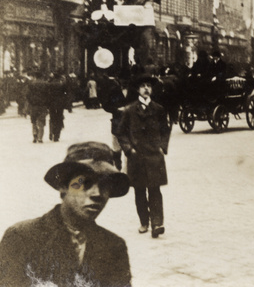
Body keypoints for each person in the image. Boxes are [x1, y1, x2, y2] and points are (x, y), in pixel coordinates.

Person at [0, 141, 131, 287]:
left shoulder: (114, 247)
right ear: (63, 186)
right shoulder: (22, 237)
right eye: (85, 183)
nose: (97, 194)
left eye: (105, 185)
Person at [116, 74, 171, 238]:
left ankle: (157, 223)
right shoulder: (130, 110)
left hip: (154, 155)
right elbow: (120, 133)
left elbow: (165, 129)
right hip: (136, 156)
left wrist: (162, 147)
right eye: (143, 86)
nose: (146, 88)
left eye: (149, 86)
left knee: (155, 190)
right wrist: (129, 149)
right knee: (139, 191)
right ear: (138, 90)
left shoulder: (159, 109)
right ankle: (144, 222)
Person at [26, 74, 48, 143]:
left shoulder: (31, 84)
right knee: (41, 121)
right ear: (42, 77)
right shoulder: (45, 84)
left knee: (34, 121)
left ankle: (35, 134)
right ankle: (40, 137)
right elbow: (48, 95)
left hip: (34, 105)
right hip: (43, 105)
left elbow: (27, 94)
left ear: (35, 77)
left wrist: (31, 102)